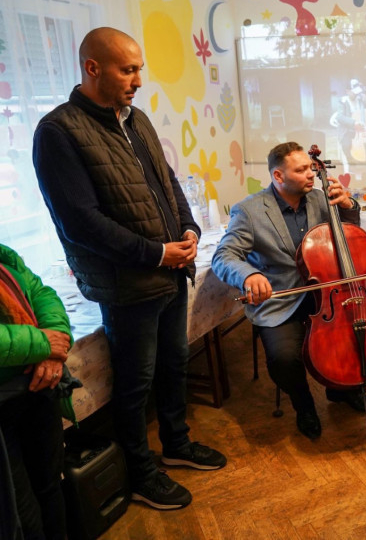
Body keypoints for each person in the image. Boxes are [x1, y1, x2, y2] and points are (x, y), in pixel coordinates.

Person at [32, 27, 226, 511]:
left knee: (175, 365)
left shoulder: (135, 119)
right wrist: (157, 253)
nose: (138, 80)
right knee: (135, 384)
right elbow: (81, 222)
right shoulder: (58, 132)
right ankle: (140, 473)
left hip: (171, 271)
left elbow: (168, 182)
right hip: (127, 283)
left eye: (139, 69)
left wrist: (188, 229)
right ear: (92, 68)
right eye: (128, 70)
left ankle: (176, 445)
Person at [212, 141, 366, 441]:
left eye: (310, 168)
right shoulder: (249, 211)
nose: (311, 174)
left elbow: (349, 237)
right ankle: (303, 404)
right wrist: (250, 275)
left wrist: (348, 206)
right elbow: (224, 256)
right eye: (301, 170)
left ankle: (344, 390)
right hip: (283, 300)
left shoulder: (320, 199)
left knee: (355, 335)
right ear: (278, 176)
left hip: (327, 295)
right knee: (284, 359)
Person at [0, 243, 74, 539]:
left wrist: (54, 346)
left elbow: (42, 293)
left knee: (51, 486)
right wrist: (43, 344)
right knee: (20, 513)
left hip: (37, 389)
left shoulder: (3, 254)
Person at [330, 78, 366, 163]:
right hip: (348, 130)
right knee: (347, 145)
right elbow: (339, 117)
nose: (356, 94)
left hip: (363, 129)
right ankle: (352, 162)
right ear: (347, 91)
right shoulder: (342, 101)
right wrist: (354, 122)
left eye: (357, 92)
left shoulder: (360, 99)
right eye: (354, 92)